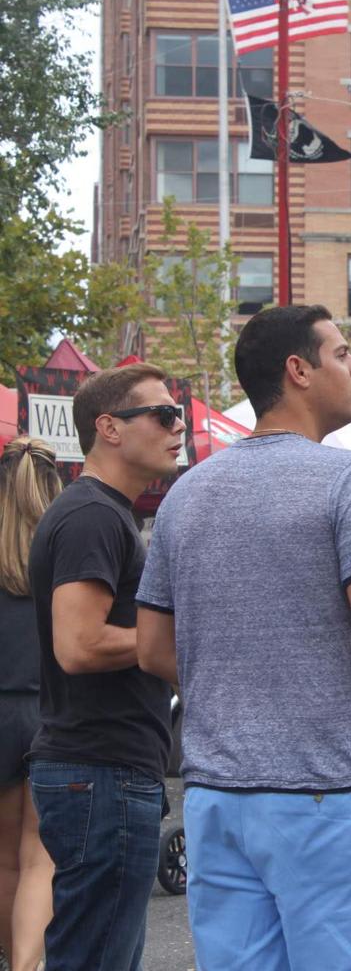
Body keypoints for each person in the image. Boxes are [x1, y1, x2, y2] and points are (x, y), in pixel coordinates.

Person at [135, 306, 351, 968]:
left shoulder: (186, 492)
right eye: (342, 354)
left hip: (216, 797)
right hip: (325, 789)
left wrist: (237, 677)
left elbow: (151, 650)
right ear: (298, 370)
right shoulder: (349, 478)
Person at [29, 365, 180, 970]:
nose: (179, 427)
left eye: (181, 416)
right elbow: (79, 644)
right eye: (164, 415)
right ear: (109, 428)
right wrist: (178, 630)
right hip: (100, 770)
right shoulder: (92, 514)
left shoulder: (104, 511)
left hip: (100, 769)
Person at [0, 438, 60, 971]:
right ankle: (27, 966)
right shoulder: (63, 550)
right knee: (40, 860)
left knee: (3, 863)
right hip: (48, 714)